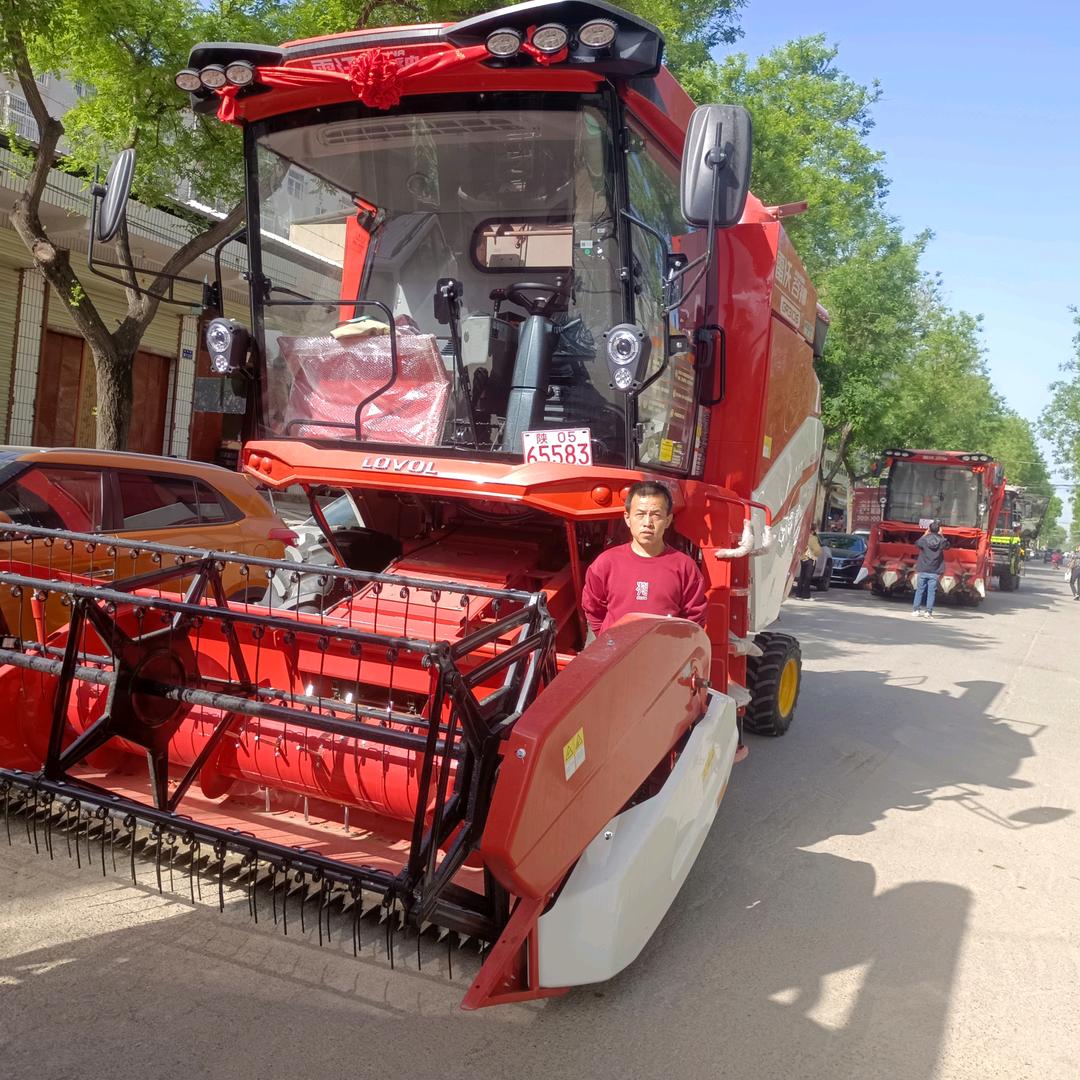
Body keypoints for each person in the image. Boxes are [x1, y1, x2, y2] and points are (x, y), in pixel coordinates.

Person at [582, 480, 707, 636]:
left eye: (656, 515)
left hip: (663, 650)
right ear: (627, 518)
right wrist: (607, 639)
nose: (647, 523)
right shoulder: (606, 562)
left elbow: (694, 618)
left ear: (668, 520)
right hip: (615, 649)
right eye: (640, 514)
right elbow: (593, 609)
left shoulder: (685, 567)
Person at [912, 519, 948, 618]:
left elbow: (916, 543)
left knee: (919, 590)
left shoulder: (924, 540)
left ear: (929, 529)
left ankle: (916, 610)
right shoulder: (941, 541)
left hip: (923, 569)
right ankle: (928, 612)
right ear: (939, 530)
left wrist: (925, 534)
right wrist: (942, 535)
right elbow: (947, 546)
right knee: (931, 592)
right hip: (935, 570)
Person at [795, 527, 822, 599]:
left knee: (802, 576)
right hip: (810, 558)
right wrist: (817, 553)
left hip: (803, 558)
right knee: (808, 577)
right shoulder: (812, 538)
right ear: (812, 531)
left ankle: (798, 594)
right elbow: (817, 550)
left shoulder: (802, 536)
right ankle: (806, 595)